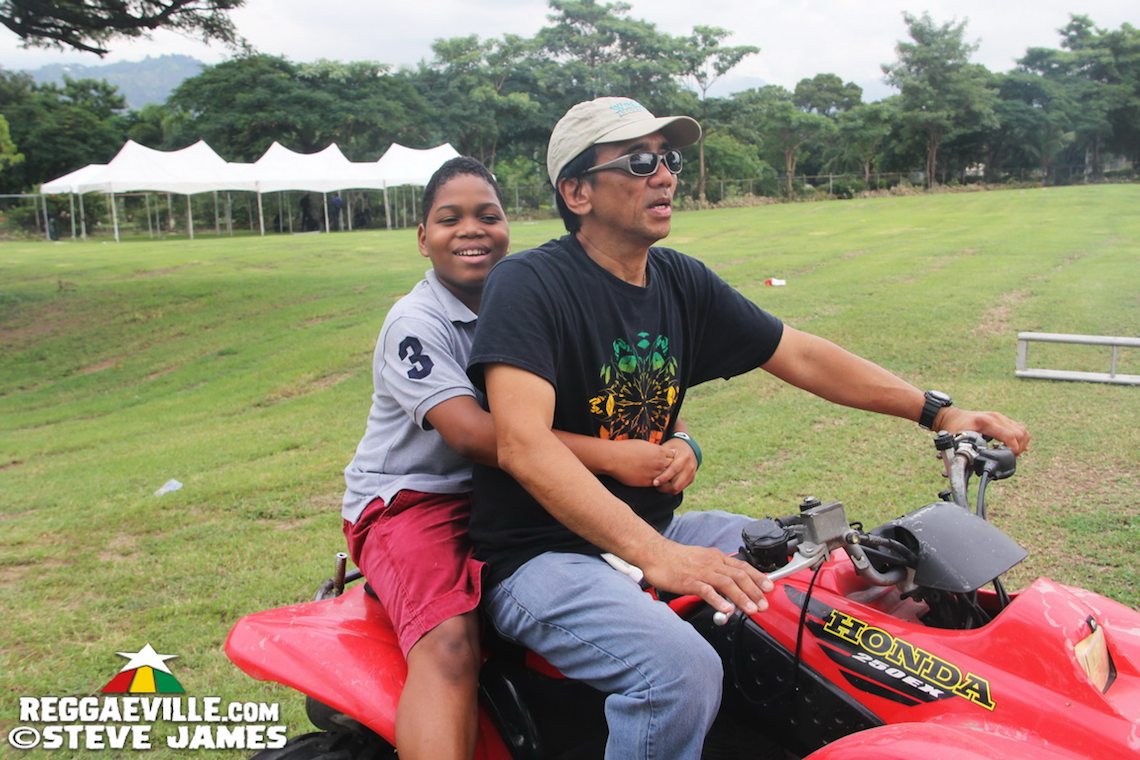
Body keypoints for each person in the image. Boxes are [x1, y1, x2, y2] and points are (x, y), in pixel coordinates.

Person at [465, 97, 1032, 760]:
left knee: (831, 580)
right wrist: (660, 556)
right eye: (641, 161)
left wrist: (938, 412)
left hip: (657, 528)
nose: (667, 176)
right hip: (542, 557)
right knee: (674, 672)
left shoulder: (678, 281)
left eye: (668, 159)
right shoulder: (530, 284)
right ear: (576, 190)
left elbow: (798, 353)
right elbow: (523, 444)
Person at [341, 156, 700, 760]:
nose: (472, 230)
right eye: (449, 219)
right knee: (451, 641)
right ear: (422, 238)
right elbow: (478, 436)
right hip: (417, 498)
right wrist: (611, 458)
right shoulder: (416, 323)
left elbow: (616, 387)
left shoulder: (535, 296)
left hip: (511, 492)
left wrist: (680, 439)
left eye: (489, 215)